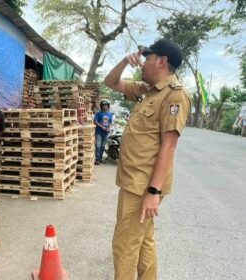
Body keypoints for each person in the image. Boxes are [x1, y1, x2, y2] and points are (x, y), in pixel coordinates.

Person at [104, 38, 191, 280]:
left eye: (148, 57)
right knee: (144, 241)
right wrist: (124, 61)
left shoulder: (174, 96)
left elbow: (169, 147)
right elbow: (110, 82)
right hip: (135, 181)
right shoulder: (146, 90)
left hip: (142, 185)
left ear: (162, 61)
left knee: (125, 245)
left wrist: (153, 191)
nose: (142, 62)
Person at [93, 99, 113, 165]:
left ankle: (100, 158)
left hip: (106, 132)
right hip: (99, 132)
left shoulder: (110, 114)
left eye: (106, 105)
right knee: (98, 145)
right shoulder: (98, 113)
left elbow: (110, 122)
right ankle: (97, 159)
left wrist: (109, 128)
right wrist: (102, 127)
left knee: (103, 146)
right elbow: (95, 121)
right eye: (103, 105)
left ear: (108, 106)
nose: (105, 106)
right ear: (101, 106)